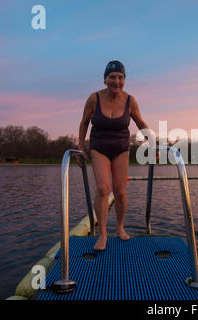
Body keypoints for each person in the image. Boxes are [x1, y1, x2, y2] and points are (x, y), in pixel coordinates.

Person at [77, 60, 155, 251]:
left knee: (120, 191)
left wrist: (153, 142)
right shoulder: (94, 98)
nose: (116, 81)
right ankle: (103, 233)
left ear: (124, 79)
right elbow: (84, 123)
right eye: (112, 77)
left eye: (120, 77)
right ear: (105, 79)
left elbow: (140, 122)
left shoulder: (130, 100)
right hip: (99, 147)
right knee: (103, 188)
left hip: (121, 148)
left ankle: (120, 227)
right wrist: (80, 147)